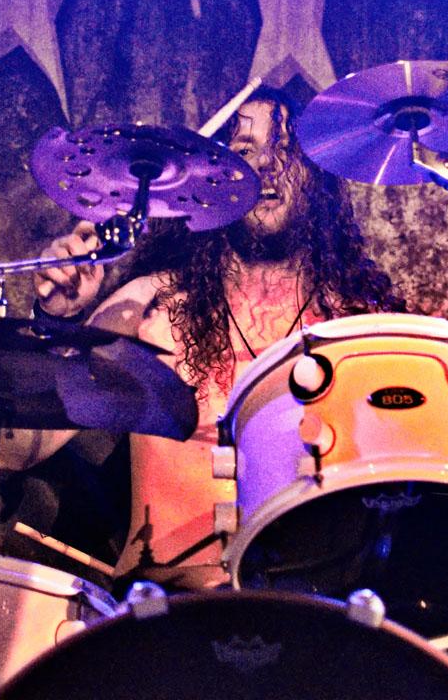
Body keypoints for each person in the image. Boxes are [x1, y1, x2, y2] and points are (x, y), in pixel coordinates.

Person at [28, 88, 404, 589]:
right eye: (245, 150)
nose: (267, 165)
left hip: (314, 612)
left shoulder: (360, 327)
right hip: (164, 609)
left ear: (318, 175)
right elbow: (17, 450)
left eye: (286, 150)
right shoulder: (149, 306)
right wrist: (59, 321)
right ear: (211, 179)